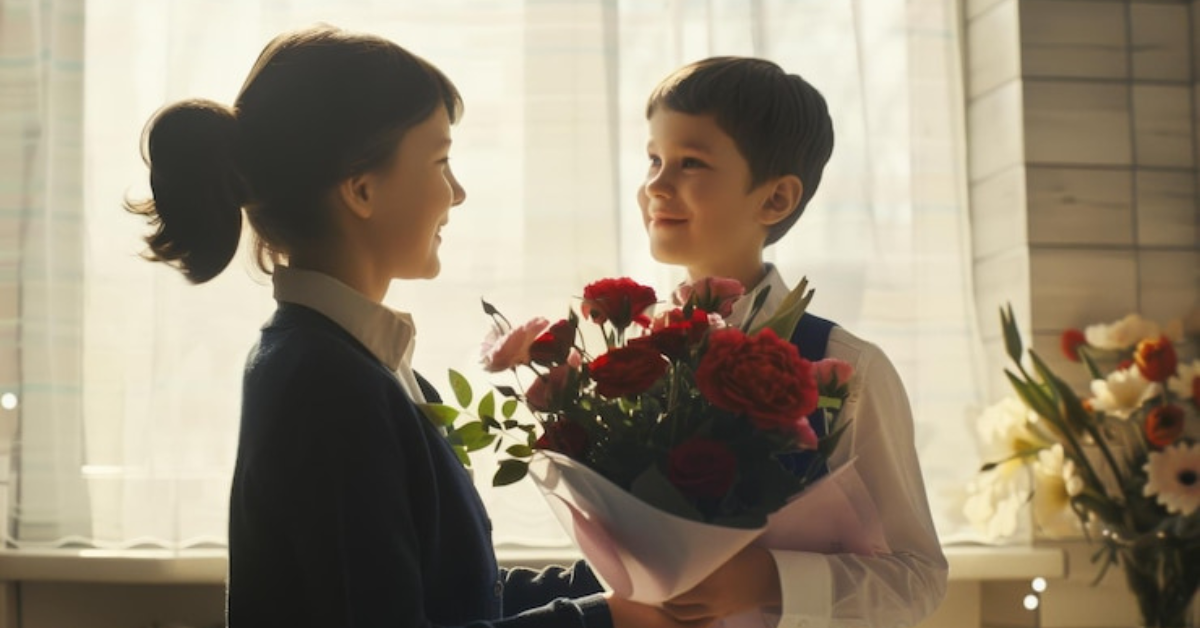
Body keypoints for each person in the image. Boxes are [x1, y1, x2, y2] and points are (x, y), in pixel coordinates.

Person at [127, 25, 699, 628]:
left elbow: (451, 593)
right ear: (362, 189)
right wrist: (603, 621)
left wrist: (630, 580)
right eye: (439, 160)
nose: (457, 192)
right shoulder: (325, 382)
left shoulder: (355, 361)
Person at [636, 57, 948, 627]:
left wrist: (769, 580)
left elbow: (918, 579)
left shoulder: (846, 369)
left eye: (691, 163)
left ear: (775, 200)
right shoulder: (632, 354)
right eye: (654, 159)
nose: (656, 184)